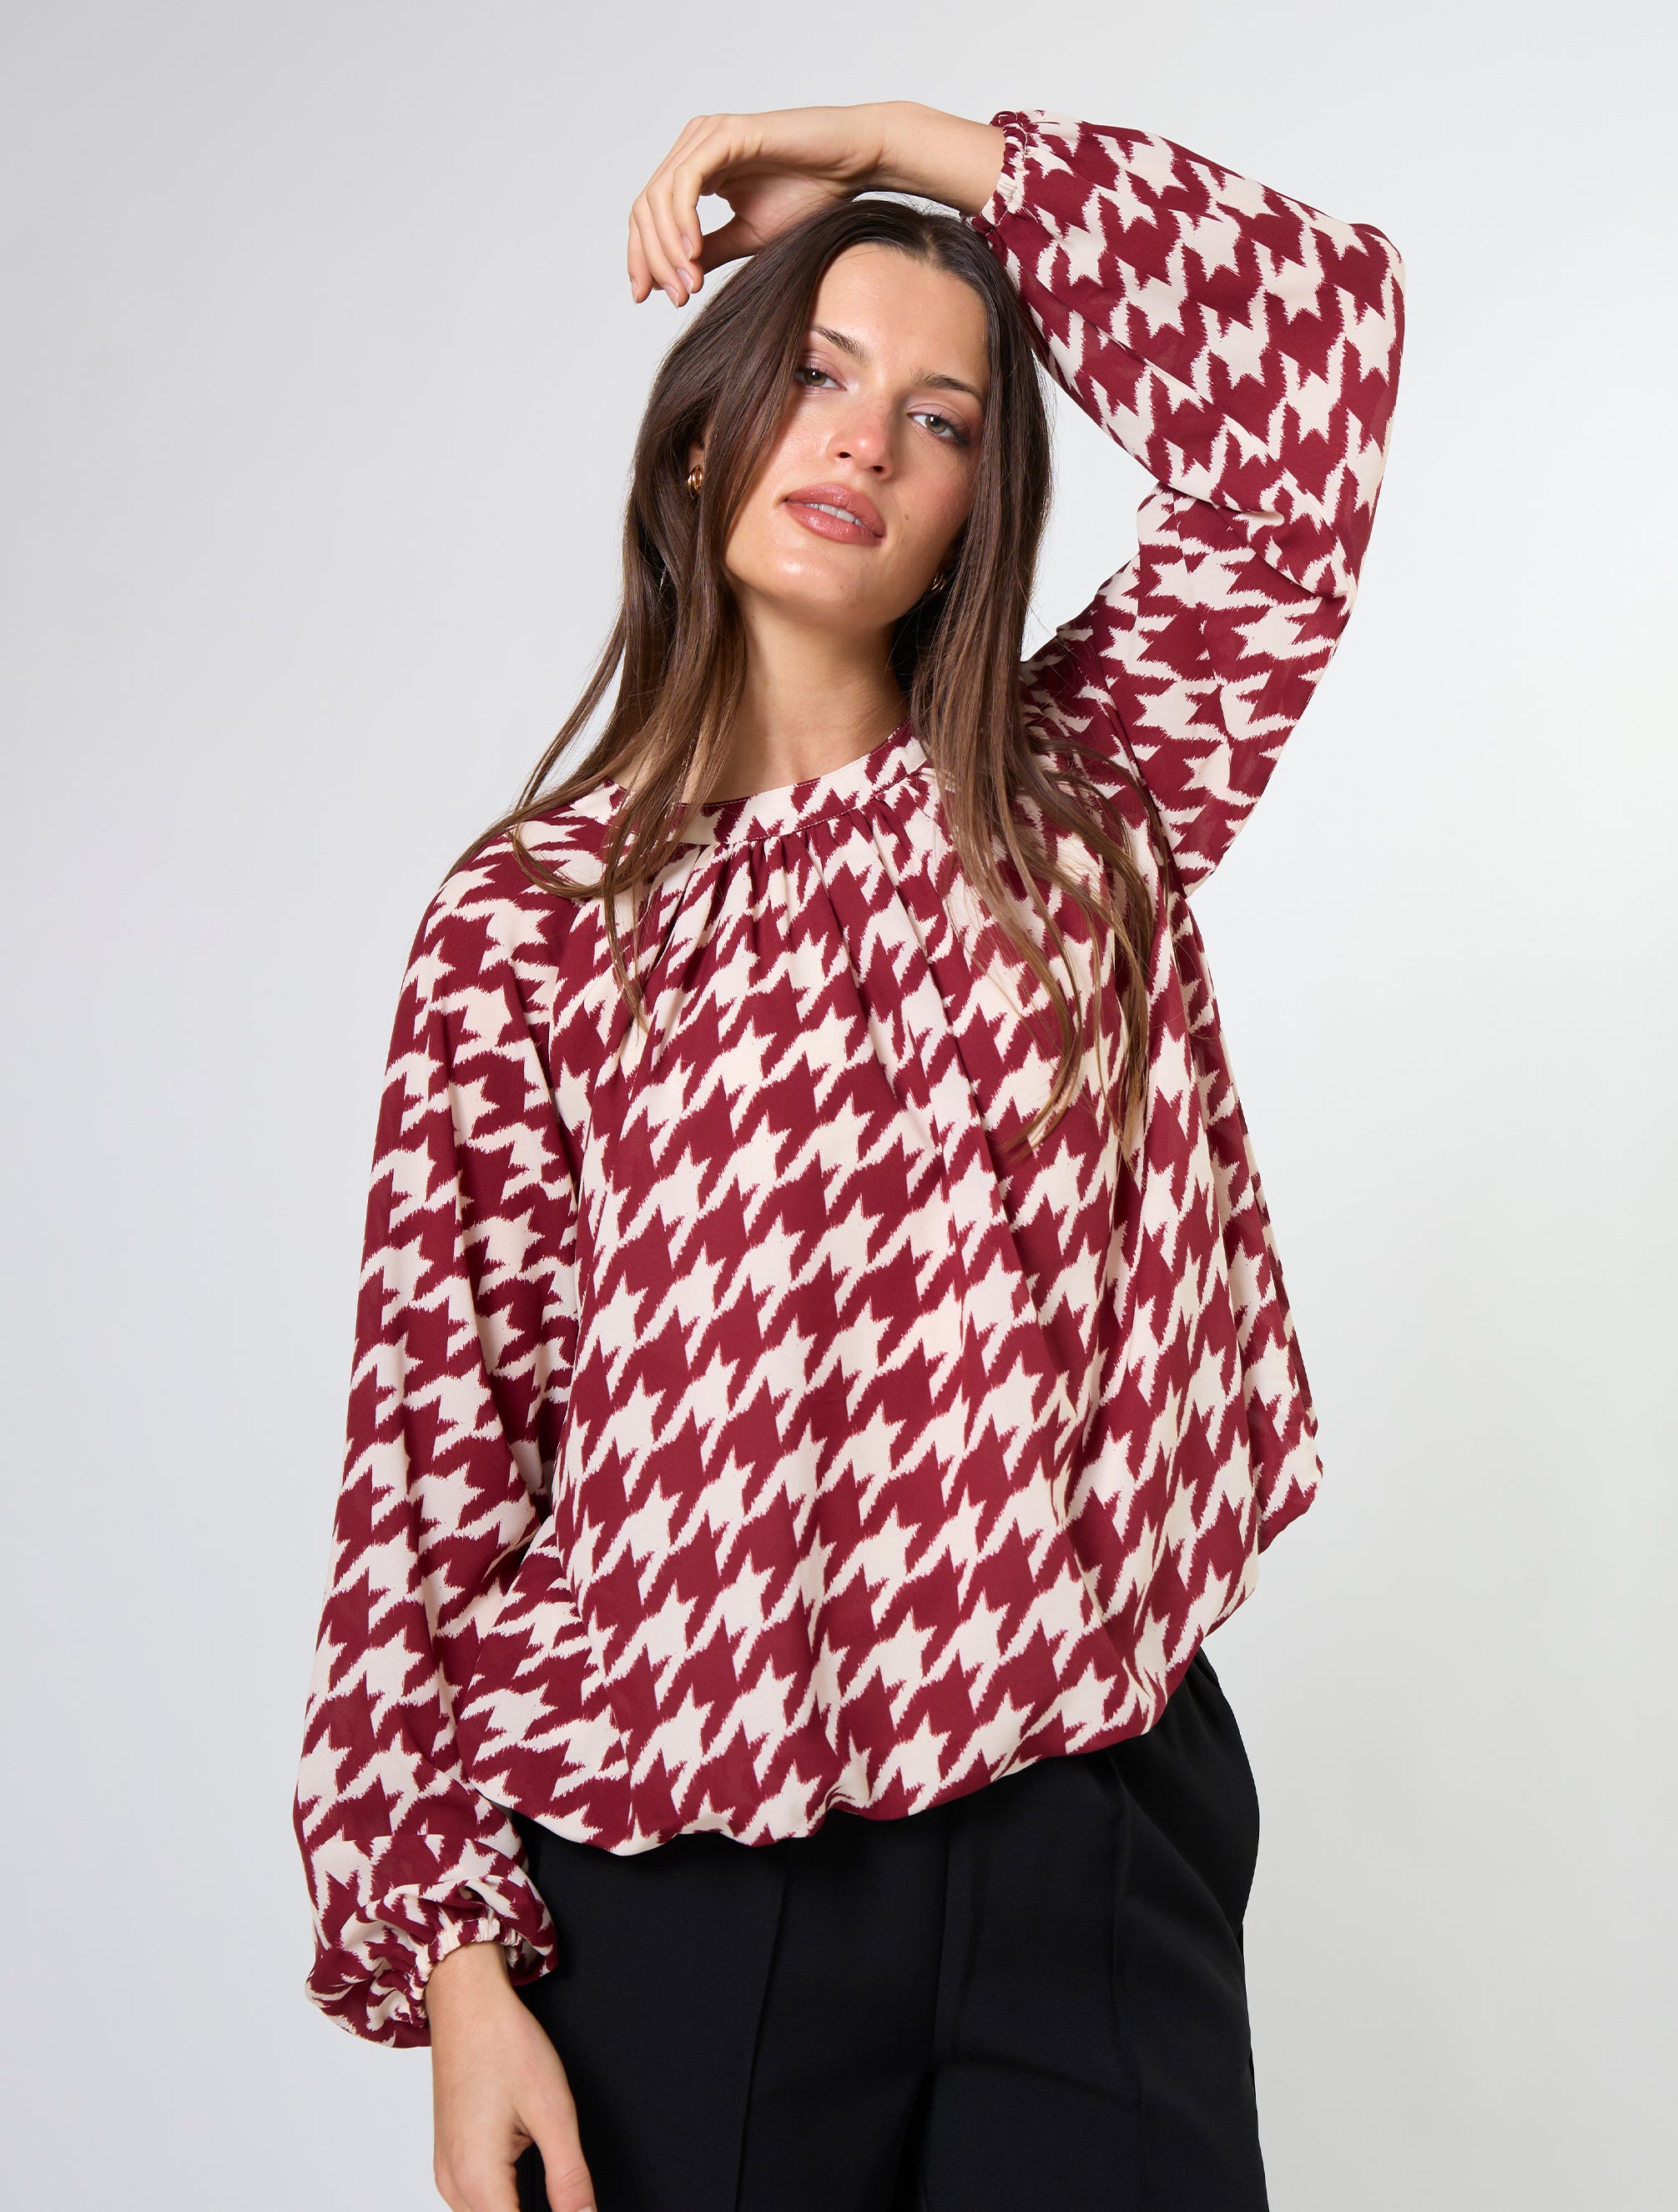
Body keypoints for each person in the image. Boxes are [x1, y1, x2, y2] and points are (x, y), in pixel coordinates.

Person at [292, 96, 1406, 2212]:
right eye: (815, 373)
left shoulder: (1080, 801)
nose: (867, 444)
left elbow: (1311, 373)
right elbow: (436, 1462)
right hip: (678, 1872)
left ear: (977, 513)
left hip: (1088, 1814)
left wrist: (898, 148)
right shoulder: (527, 927)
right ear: (698, 438)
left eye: (941, 420)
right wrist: (452, 1964)